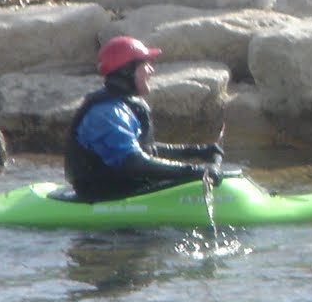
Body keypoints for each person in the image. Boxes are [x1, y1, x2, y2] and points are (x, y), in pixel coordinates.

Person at [65, 36, 225, 202]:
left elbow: (145, 150)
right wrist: (197, 172)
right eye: (145, 65)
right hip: (103, 196)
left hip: (123, 188)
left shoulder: (123, 106)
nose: (151, 71)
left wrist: (195, 151)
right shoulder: (107, 113)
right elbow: (135, 163)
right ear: (127, 71)